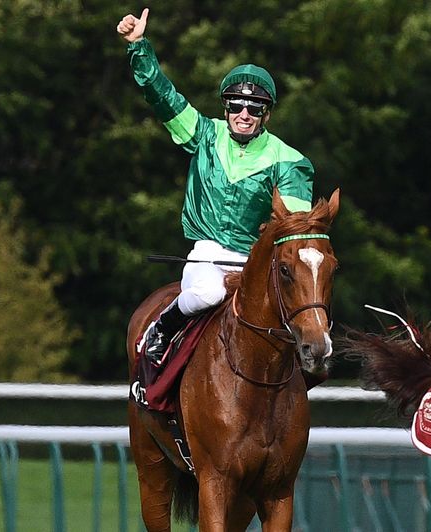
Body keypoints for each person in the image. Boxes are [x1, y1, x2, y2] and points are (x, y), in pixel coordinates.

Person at [116, 9, 315, 363]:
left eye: (255, 107)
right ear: (226, 108)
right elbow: (162, 97)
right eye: (236, 104)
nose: (244, 113)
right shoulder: (204, 134)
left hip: (257, 265)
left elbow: (296, 235)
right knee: (207, 293)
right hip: (207, 256)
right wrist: (138, 47)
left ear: (266, 114)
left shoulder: (290, 161)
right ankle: (160, 329)